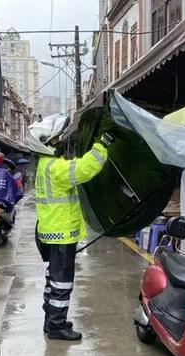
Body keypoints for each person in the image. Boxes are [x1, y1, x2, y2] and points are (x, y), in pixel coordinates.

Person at [35, 130, 113, 341]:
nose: (59, 142)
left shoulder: (44, 164)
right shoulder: (56, 167)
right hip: (61, 235)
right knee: (61, 282)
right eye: (54, 140)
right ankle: (57, 327)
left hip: (50, 232)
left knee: (52, 281)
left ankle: (51, 321)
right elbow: (84, 169)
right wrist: (101, 145)